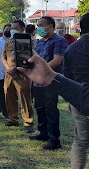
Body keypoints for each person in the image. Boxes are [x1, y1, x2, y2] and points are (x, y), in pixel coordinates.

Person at [30, 16, 68, 150]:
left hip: (51, 80)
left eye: (40, 25)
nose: (38, 28)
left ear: (50, 27)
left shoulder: (59, 41)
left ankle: (54, 140)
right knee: (39, 107)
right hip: (37, 81)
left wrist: (42, 71)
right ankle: (43, 133)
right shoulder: (39, 42)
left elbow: (57, 60)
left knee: (50, 109)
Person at [63, 12, 89, 168]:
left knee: (80, 142)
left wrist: (70, 100)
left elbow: (67, 78)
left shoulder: (71, 49)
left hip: (79, 99)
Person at [1, 20, 35, 133]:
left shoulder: (28, 41)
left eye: (15, 28)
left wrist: (15, 69)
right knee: (9, 96)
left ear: (22, 28)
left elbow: (29, 58)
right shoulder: (8, 42)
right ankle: (13, 119)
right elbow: (3, 57)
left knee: (25, 98)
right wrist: (7, 68)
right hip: (9, 73)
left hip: (22, 74)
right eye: (12, 28)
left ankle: (28, 122)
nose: (12, 30)